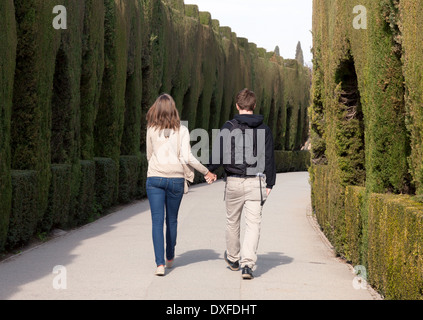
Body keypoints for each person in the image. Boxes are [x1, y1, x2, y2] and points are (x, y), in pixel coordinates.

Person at [207, 88, 276, 280]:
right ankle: (248, 265)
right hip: (257, 182)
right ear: (254, 106)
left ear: (237, 106)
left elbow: (218, 154)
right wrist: (270, 182)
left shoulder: (228, 127)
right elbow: (269, 157)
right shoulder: (264, 129)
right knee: (253, 224)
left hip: (234, 182)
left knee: (232, 222)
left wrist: (210, 170)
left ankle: (233, 258)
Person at [146, 94, 216, 276]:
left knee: (156, 221)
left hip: (155, 178)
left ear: (157, 109)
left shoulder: (151, 129)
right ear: (173, 109)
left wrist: (156, 167)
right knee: (172, 220)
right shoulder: (182, 130)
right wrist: (206, 171)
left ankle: (159, 264)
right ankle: (170, 256)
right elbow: (187, 157)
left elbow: (149, 154)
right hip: (176, 178)